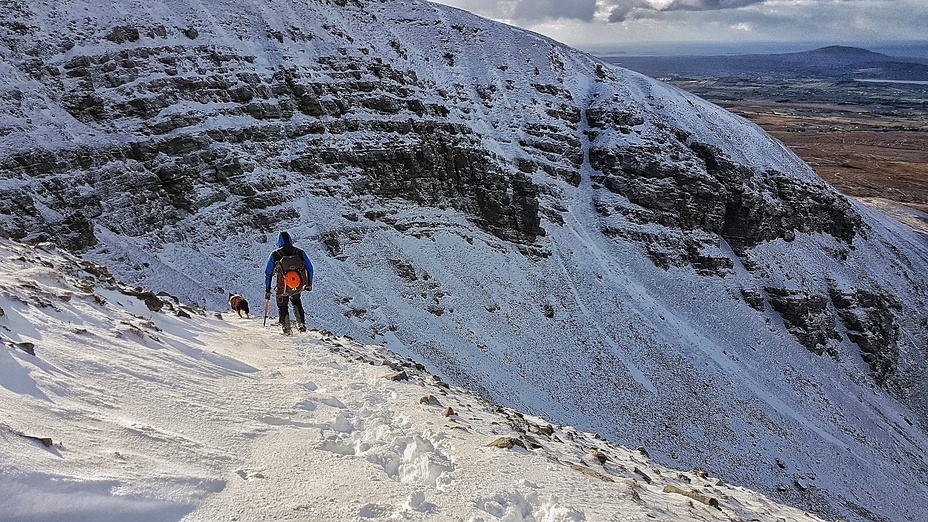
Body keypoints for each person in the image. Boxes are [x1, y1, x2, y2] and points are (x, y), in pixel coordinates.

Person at [264, 231, 314, 335]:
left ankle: (287, 329)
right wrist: (309, 283)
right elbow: (310, 268)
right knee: (296, 301)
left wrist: (268, 290)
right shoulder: (299, 252)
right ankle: (301, 325)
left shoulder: (275, 255)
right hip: (297, 285)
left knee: (282, 306)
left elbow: (268, 273)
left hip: (283, 287)